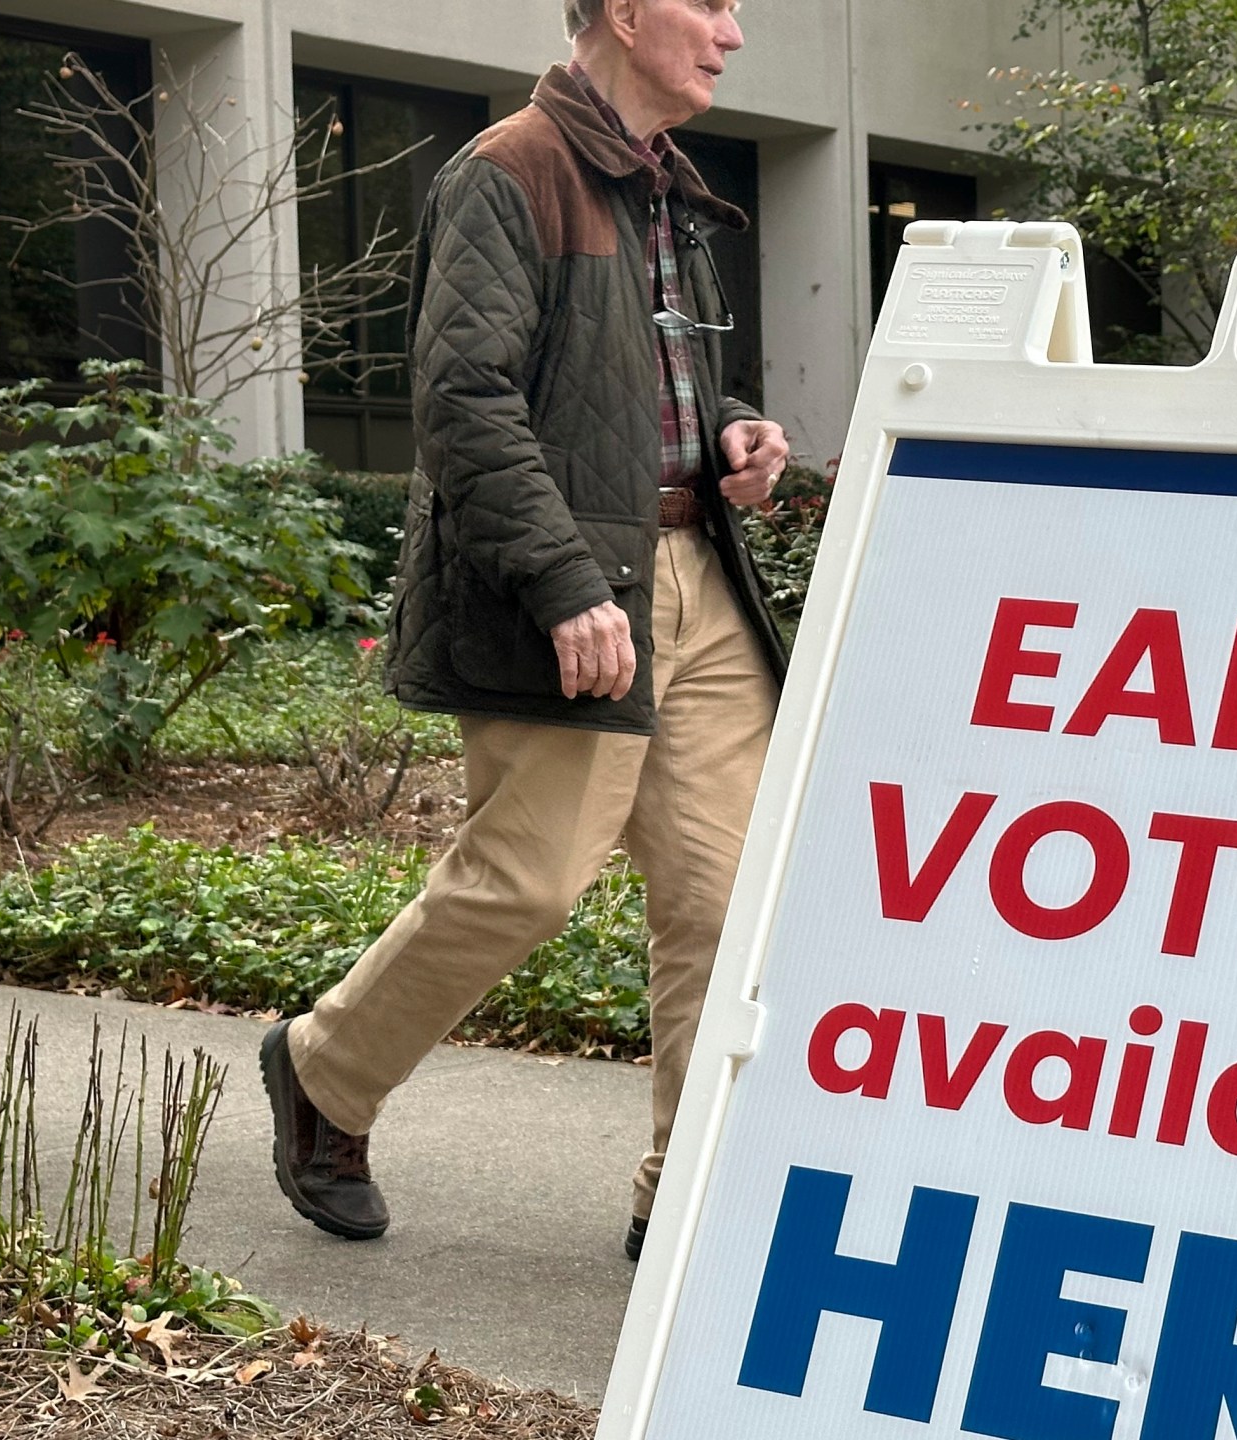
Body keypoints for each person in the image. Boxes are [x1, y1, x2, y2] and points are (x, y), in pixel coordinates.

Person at [259, 0, 792, 1262]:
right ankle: (325, 1071)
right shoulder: (509, 171)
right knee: (530, 878)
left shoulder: (666, 189)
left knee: (724, 904)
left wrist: (731, 434)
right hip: (571, 585)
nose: (732, 29)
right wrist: (563, 583)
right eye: (709, 2)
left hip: (696, 577)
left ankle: (685, 1190)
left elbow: (635, 386)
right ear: (618, 10)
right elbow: (462, 400)